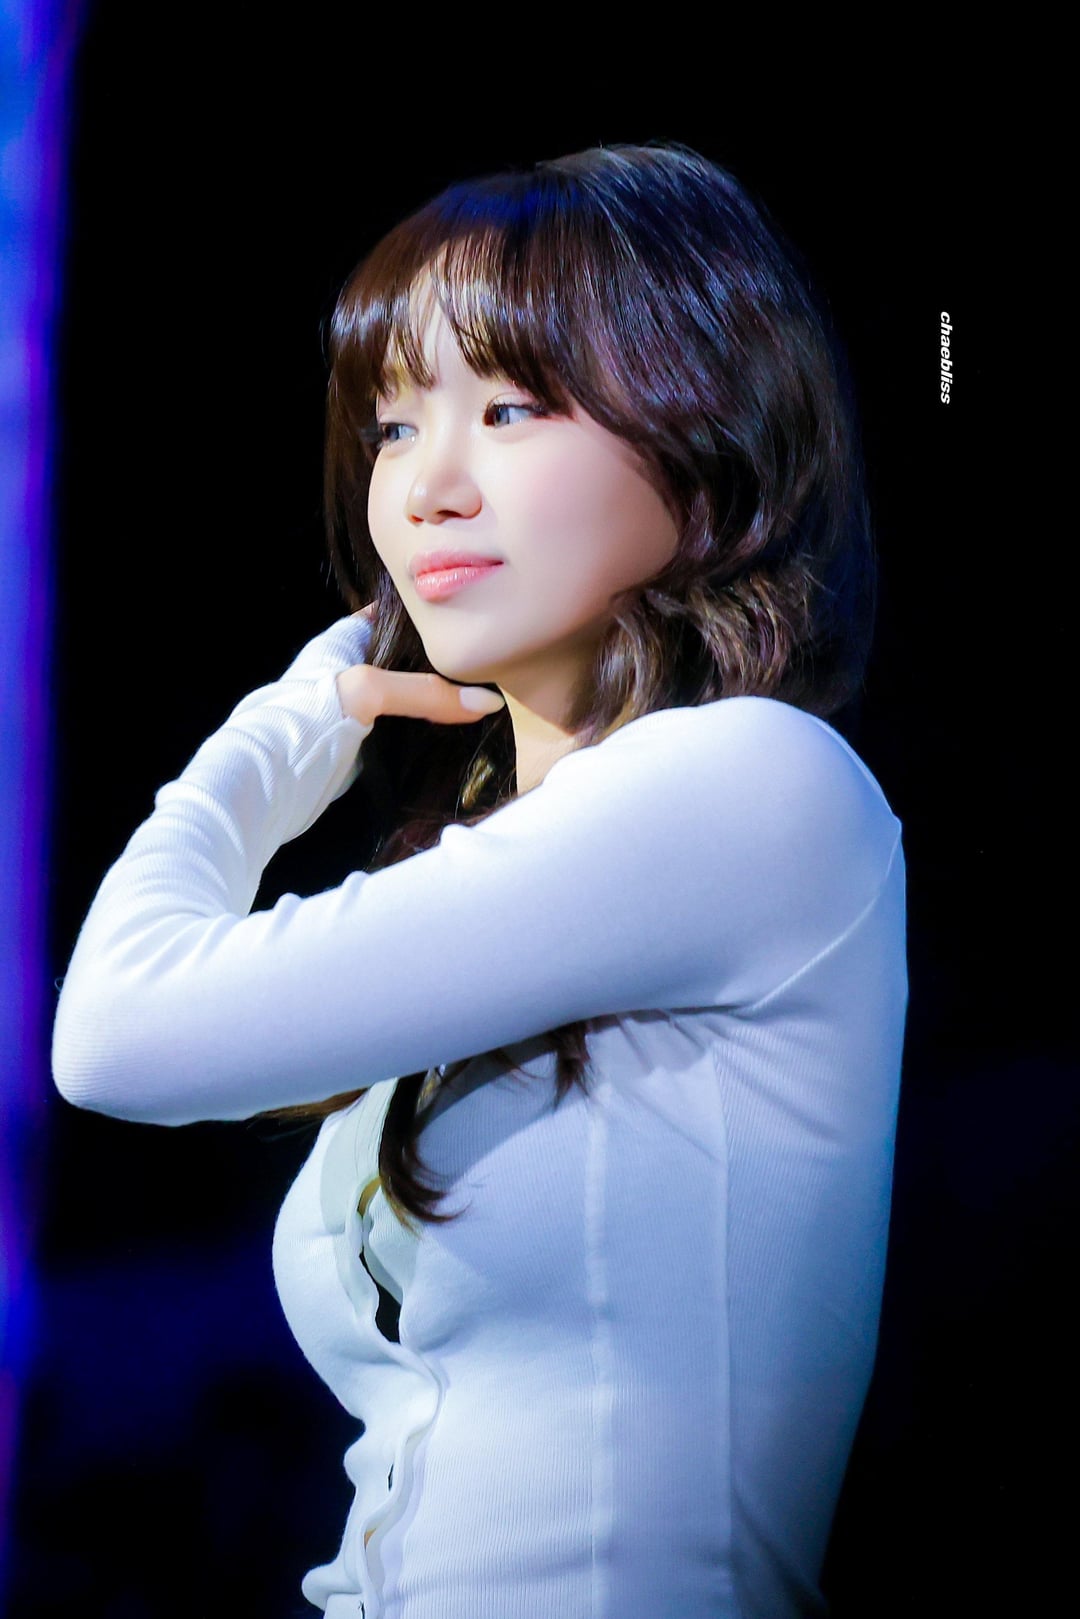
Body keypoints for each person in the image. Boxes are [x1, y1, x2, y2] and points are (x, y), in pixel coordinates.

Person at [51, 141, 908, 1619]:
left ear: (711, 429)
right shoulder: (507, 862)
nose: (428, 488)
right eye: (394, 426)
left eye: (509, 409)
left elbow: (115, 1033)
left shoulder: (756, 785)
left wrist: (284, 730)